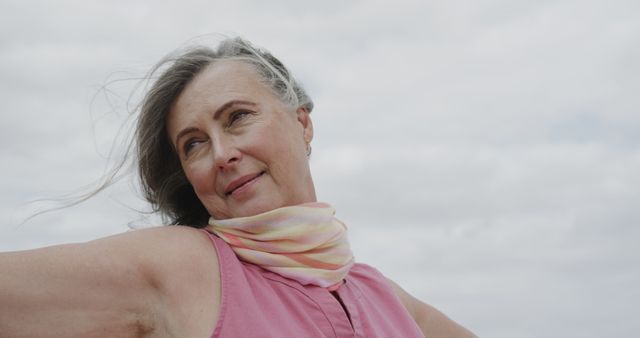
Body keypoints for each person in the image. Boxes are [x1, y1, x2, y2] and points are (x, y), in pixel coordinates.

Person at [0, 37, 476, 337]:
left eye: (238, 117)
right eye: (193, 145)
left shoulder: (381, 294)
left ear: (302, 123)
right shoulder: (183, 266)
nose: (222, 152)